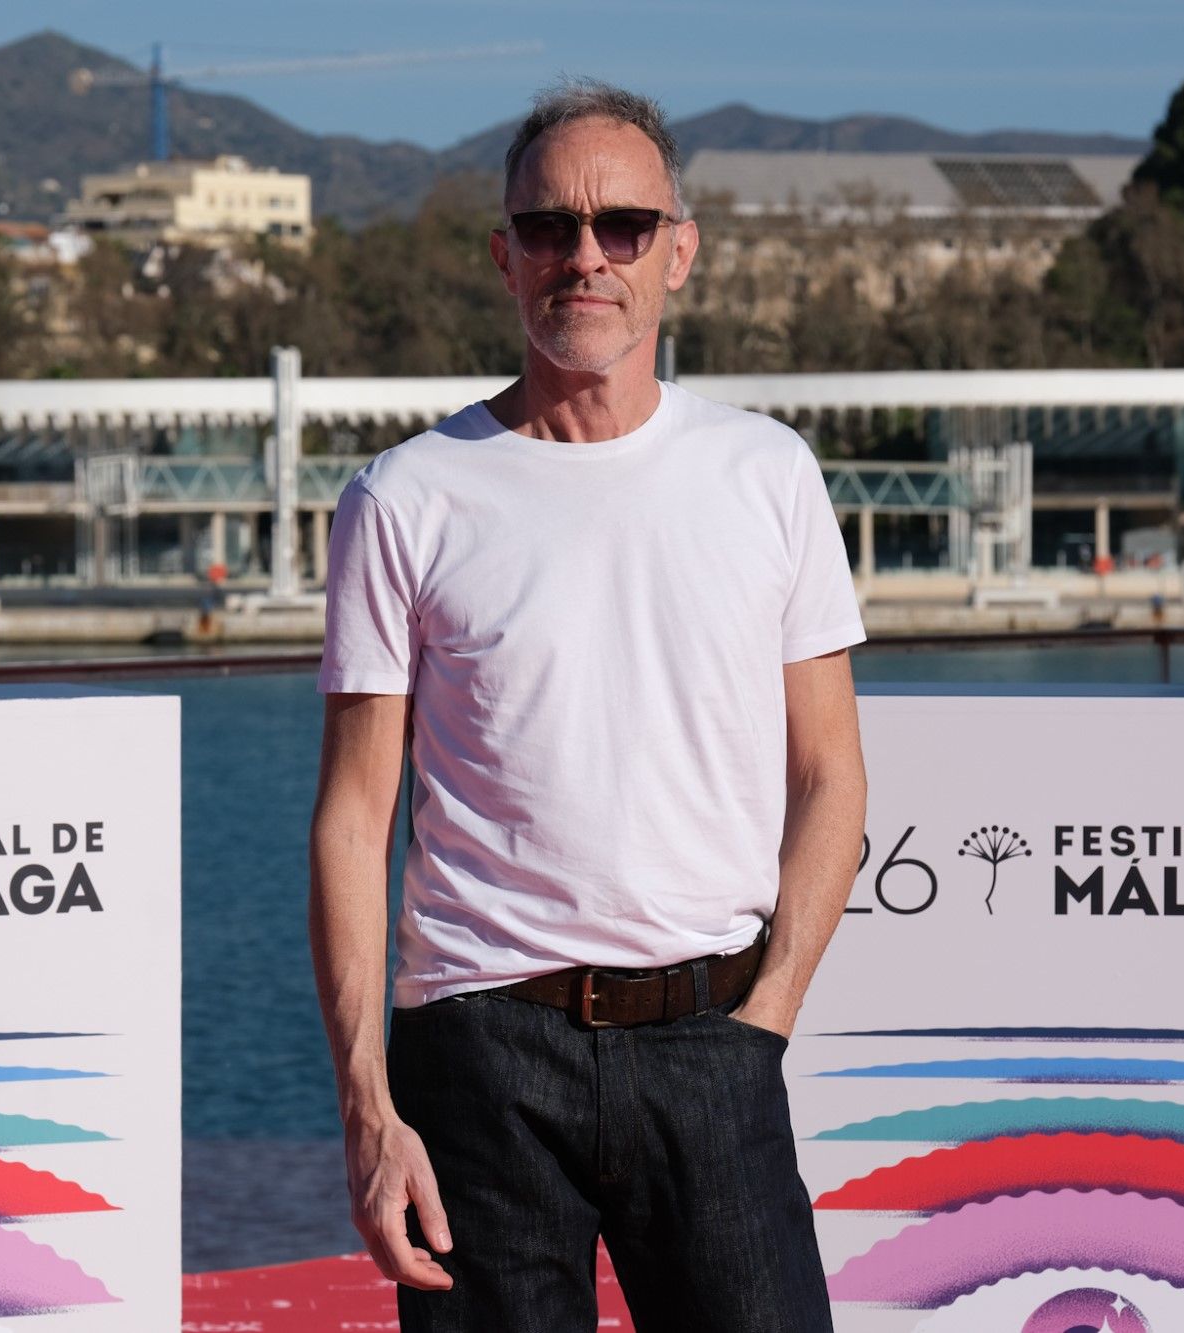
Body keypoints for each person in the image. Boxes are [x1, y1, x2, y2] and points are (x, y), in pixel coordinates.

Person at [309, 79, 868, 1332]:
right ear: (503, 257)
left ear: (680, 251)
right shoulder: (403, 500)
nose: (584, 255)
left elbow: (830, 774)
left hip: (712, 1040)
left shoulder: (766, 475)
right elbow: (352, 818)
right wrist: (368, 1108)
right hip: (478, 1053)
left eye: (621, 225)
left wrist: (764, 1020)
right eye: (550, 228)